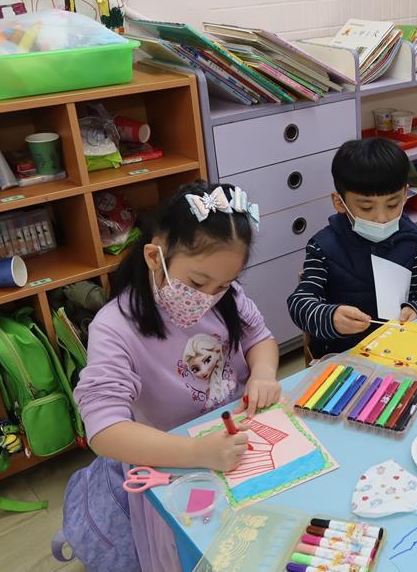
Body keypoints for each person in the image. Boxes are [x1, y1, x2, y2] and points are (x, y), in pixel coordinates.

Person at [73, 181, 282, 572]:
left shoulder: (227, 296)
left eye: (223, 284)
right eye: (198, 283)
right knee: (201, 555)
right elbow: (104, 430)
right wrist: (198, 453)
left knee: (260, 545)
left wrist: (264, 374)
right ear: (155, 256)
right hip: (173, 466)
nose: (210, 296)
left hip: (235, 445)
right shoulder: (115, 326)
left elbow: (260, 338)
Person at [288, 138, 417, 359]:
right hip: (343, 356)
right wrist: (330, 317)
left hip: (397, 351)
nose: (381, 218)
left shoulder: (411, 241)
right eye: (366, 208)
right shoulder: (323, 247)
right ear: (340, 202)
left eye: (393, 204)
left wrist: (416, 309)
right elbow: (299, 303)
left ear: (406, 194)